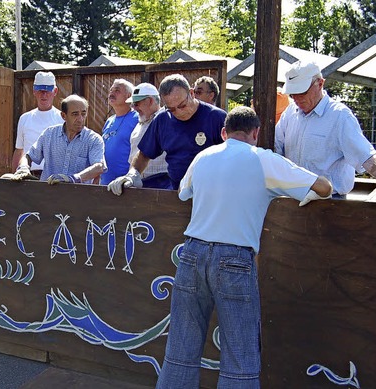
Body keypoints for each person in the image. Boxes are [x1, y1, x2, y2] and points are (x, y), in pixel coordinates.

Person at [156, 106, 333, 389]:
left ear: (224, 132)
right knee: (240, 355)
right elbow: (323, 187)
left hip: (191, 254)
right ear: (256, 133)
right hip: (235, 259)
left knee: (180, 349)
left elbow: (183, 192)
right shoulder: (264, 159)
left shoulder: (203, 156)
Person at [276, 60, 376, 201]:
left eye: (302, 92)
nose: (297, 98)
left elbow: (365, 155)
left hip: (330, 203)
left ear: (320, 83)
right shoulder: (290, 113)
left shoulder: (340, 116)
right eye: (292, 94)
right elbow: (275, 147)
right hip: (292, 199)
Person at [107, 74, 226, 195]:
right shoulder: (163, 118)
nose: (178, 112)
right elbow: (144, 154)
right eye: (172, 109)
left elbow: (232, 156)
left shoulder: (217, 118)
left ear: (191, 93)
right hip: (176, 192)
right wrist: (133, 174)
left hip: (211, 193)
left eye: (182, 105)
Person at [10, 94, 106, 185]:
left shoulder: (94, 139)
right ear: (63, 116)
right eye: (75, 114)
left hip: (78, 198)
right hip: (48, 195)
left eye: (83, 113)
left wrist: (74, 178)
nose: (80, 119)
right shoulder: (49, 134)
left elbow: (99, 167)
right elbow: (29, 156)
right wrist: (23, 167)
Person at [11, 71, 64, 176]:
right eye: (40, 90)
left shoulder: (62, 119)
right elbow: (19, 151)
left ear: (55, 91)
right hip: (28, 175)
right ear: (34, 91)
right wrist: (14, 176)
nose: (44, 95)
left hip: (54, 178)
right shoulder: (24, 118)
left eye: (47, 90)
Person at [126, 83, 171, 189]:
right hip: (140, 184)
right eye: (132, 104)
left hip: (163, 183)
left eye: (136, 104)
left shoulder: (167, 120)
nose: (134, 108)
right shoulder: (139, 124)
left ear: (150, 101)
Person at [100, 79, 139, 185]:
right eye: (111, 90)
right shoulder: (109, 121)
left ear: (129, 96)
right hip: (105, 184)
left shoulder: (137, 118)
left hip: (126, 185)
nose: (111, 93)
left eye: (117, 90)